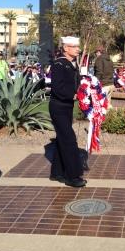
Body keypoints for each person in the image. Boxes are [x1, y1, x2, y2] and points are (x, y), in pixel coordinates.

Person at [49, 36, 86, 188]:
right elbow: (57, 88)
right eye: (75, 46)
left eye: (78, 46)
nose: (78, 49)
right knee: (69, 140)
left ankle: (57, 172)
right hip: (58, 106)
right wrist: (73, 95)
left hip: (67, 106)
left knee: (62, 139)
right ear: (66, 48)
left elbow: (75, 83)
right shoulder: (59, 64)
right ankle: (73, 176)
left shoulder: (72, 64)